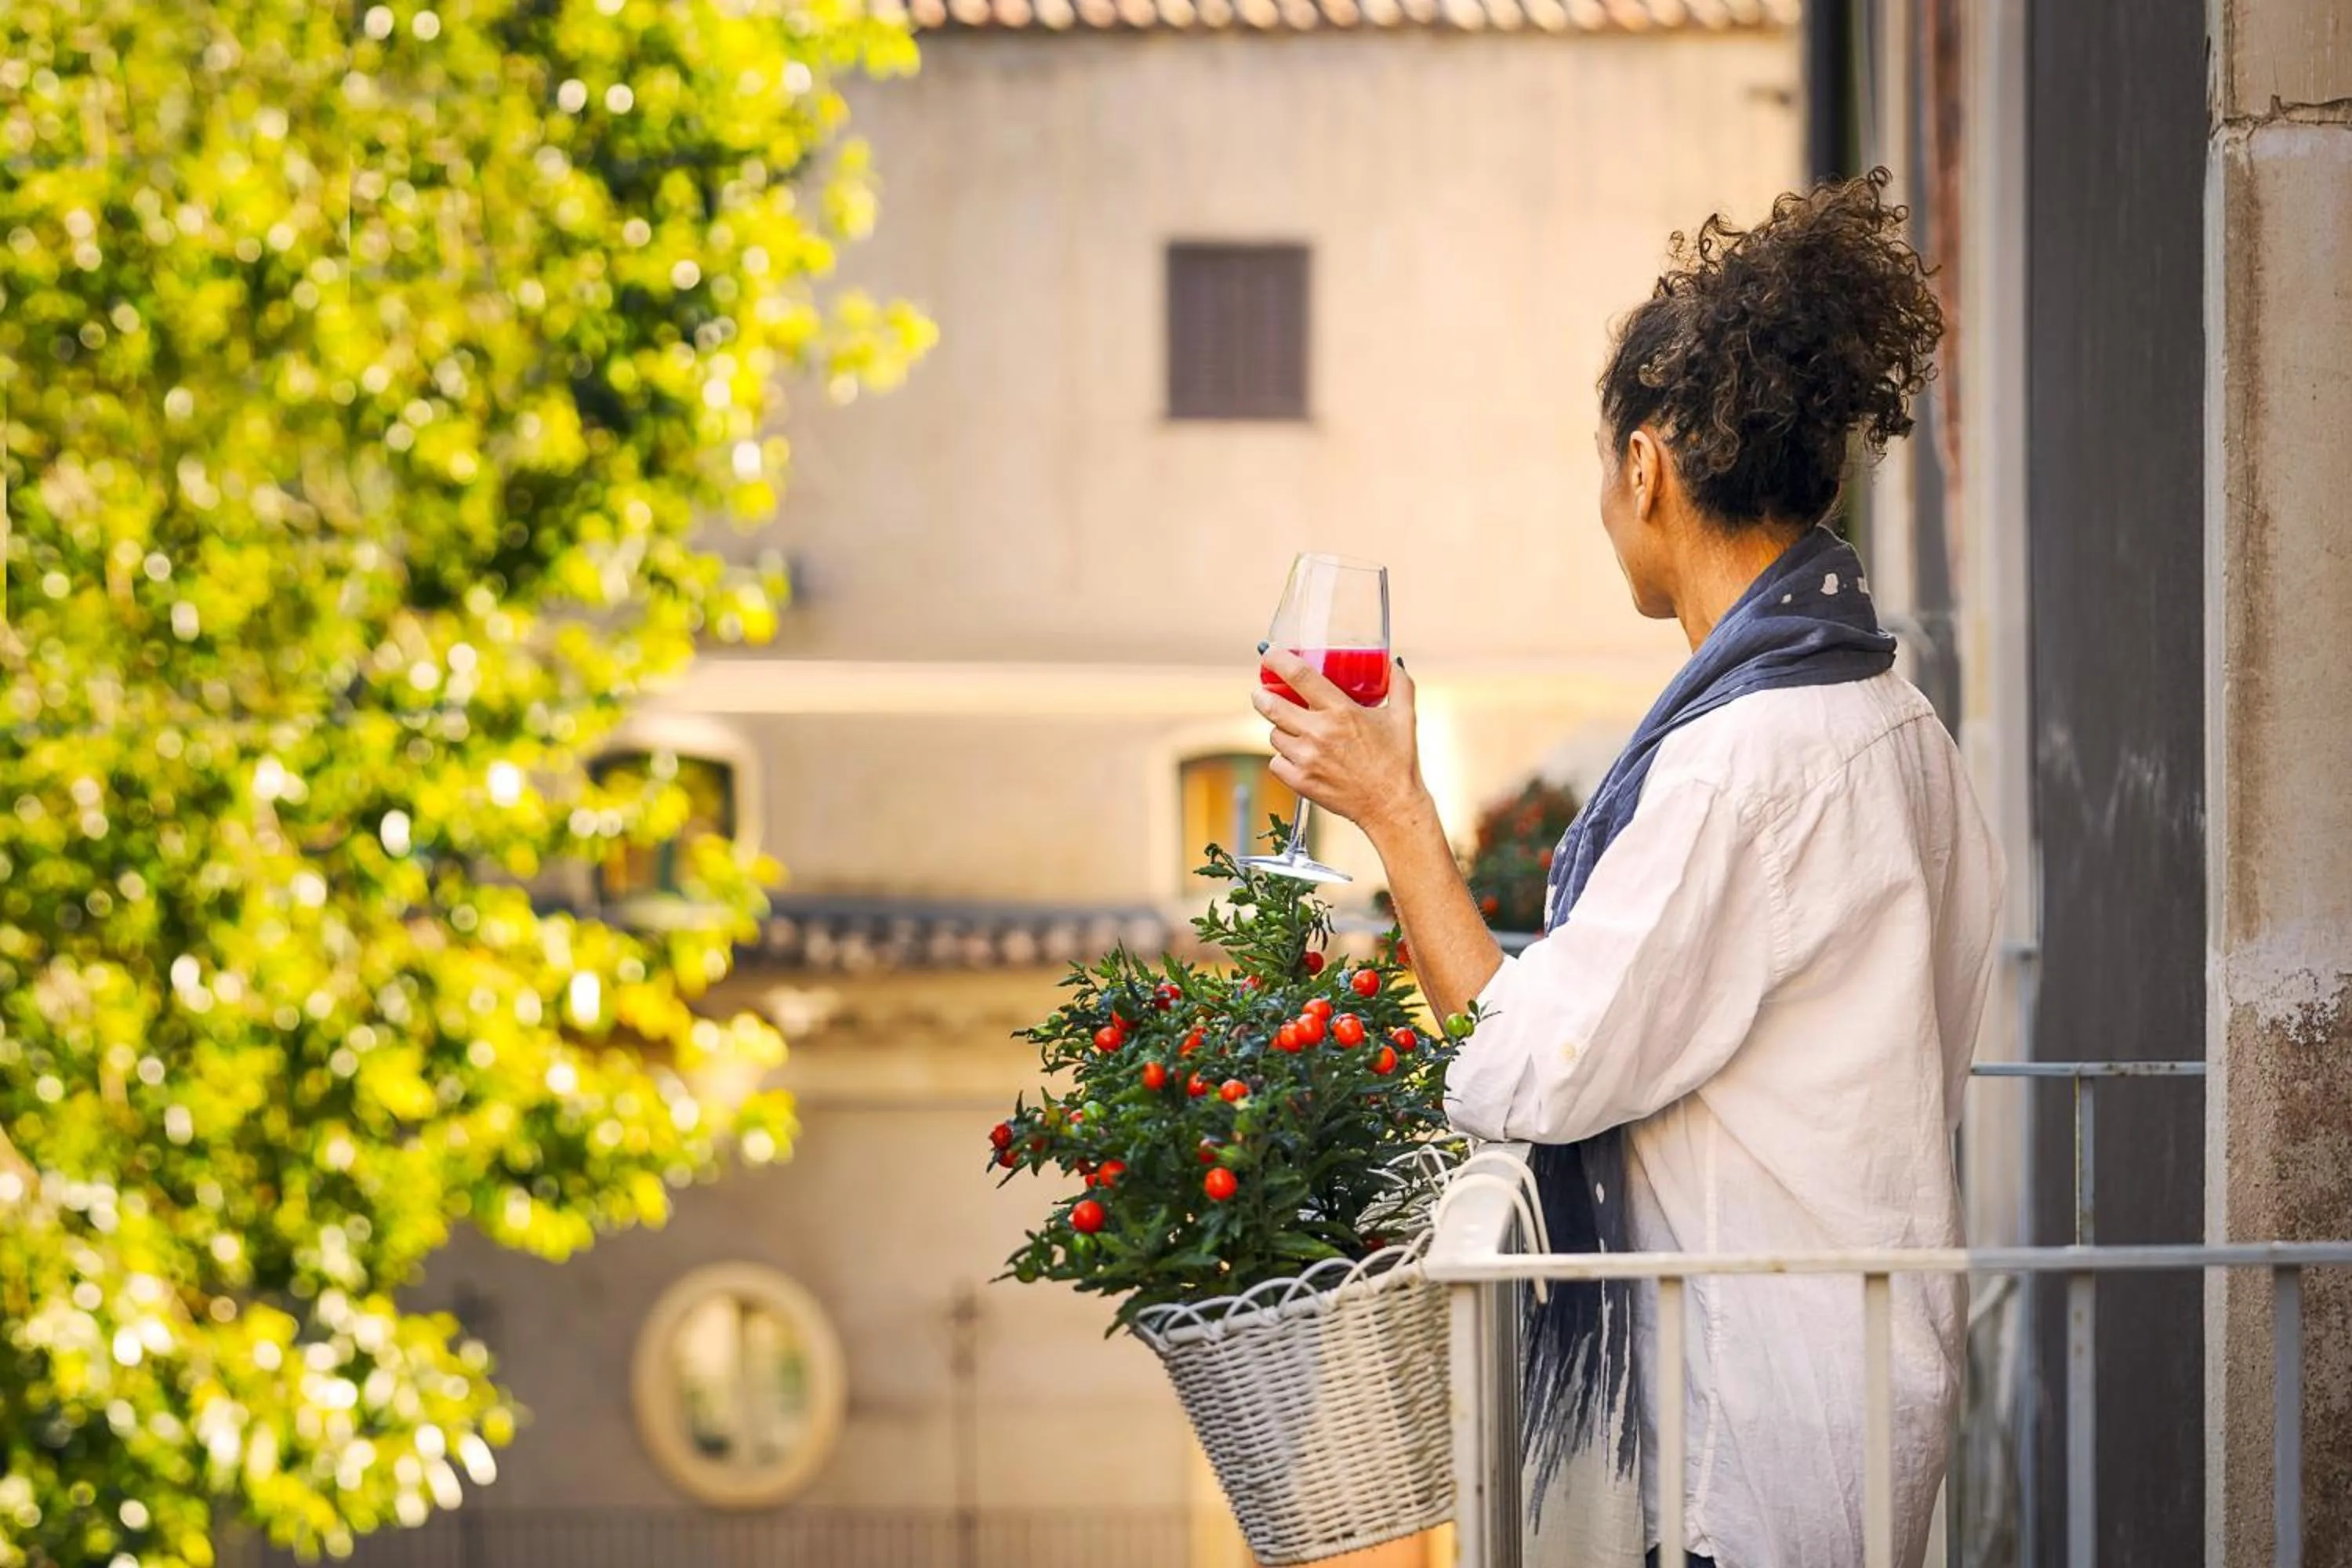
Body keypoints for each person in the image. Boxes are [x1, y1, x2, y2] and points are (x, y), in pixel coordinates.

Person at [1253, 169, 2002, 1568]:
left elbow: (1529, 1067)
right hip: (1860, 1394)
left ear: (1647, 465)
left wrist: (1395, 811)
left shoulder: (1746, 763)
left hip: (1751, 1444)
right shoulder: (1900, 725)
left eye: (1604, 470)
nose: (1604, 503)